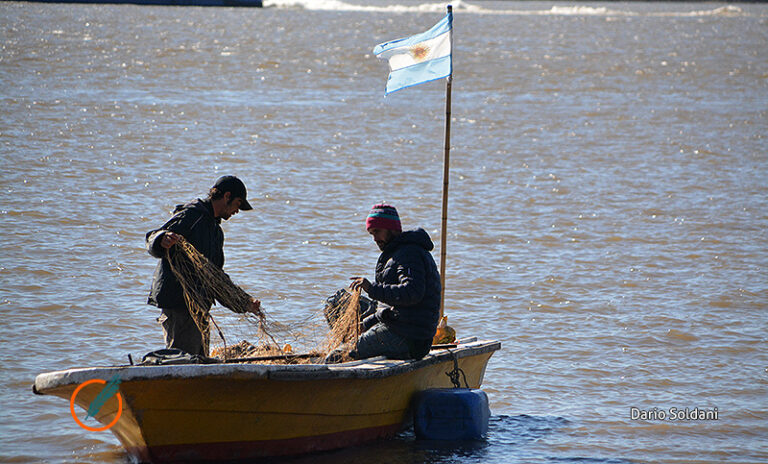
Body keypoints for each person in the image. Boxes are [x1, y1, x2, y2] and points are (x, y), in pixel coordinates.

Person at [146, 175, 261, 356]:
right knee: (182, 363)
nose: (237, 211)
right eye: (238, 204)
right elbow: (153, 236)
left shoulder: (216, 232)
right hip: (179, 306)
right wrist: (162, 240)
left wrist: (244, 303)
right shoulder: (192, 215)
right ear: (227, 196)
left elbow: (216, 277)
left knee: (198, 362)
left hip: (199, 309)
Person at [347, 204, 441, 361]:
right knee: (337, 302)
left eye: (377, 232)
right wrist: (367, 322)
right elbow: (393, 308)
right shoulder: (397, 253)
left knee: (341, 354)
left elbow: (412, 293)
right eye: (371, 234)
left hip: (411, 337)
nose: (375, 239)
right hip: (401, 326)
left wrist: (371, 288)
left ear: (392, 229)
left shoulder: (409, 254)